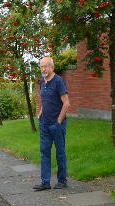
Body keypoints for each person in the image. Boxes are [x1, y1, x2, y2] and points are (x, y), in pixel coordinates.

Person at [33, 56, 71, 191]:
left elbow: (66, 104)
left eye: (45, 66)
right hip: (44, 124)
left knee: (60, 152)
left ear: (51, 67)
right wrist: (40, 114)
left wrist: (59, 121)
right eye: (41, 66)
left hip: (57, 124)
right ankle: (45, 182)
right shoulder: (43, 82)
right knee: (44, 153)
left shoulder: (58, 81)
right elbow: (44, 100)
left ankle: (62, 181)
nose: (43, 69)